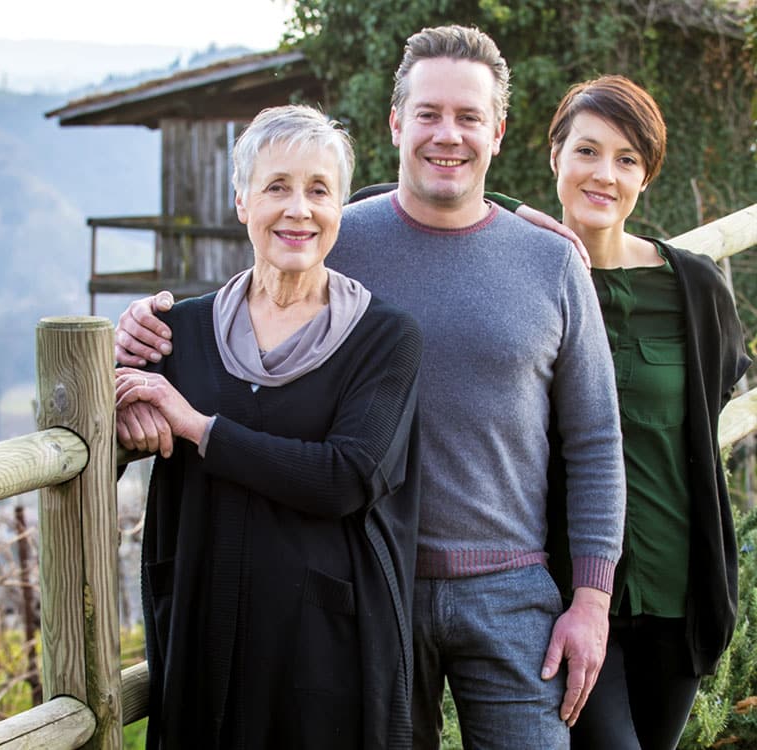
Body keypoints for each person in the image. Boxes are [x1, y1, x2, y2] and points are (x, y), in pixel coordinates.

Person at [114, 25, 627, 749]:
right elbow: (243, 313)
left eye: (469, 117)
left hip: (511, 591)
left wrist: (592, 600)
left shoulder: (550, 263)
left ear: (499, 130)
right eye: (428, 113)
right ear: (396, 123)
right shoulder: (334, 234)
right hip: (368, 584)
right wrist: (143, 329)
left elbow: (597, 440)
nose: (447, 134)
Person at [115, 104, 425, 749]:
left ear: (341, 207)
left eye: (319, 190)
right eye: (277, 187)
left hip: (325, 649)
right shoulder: (179, 332)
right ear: (241, 202)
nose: (299, 209)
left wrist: (201, 429)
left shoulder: (383, 338)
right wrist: (120, 399)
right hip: (203, 632)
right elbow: (103, 444)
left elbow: (346, 477)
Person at [542, 74, 751, 750]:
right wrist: (515, 212)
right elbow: (389, 198)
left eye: (627, 159)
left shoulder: (693, 287)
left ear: (646, 177)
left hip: (675, 592)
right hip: (563, 597)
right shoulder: (523, 275)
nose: (605, 174)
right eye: (587, 151)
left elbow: (706, 407)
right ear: (556, 158)